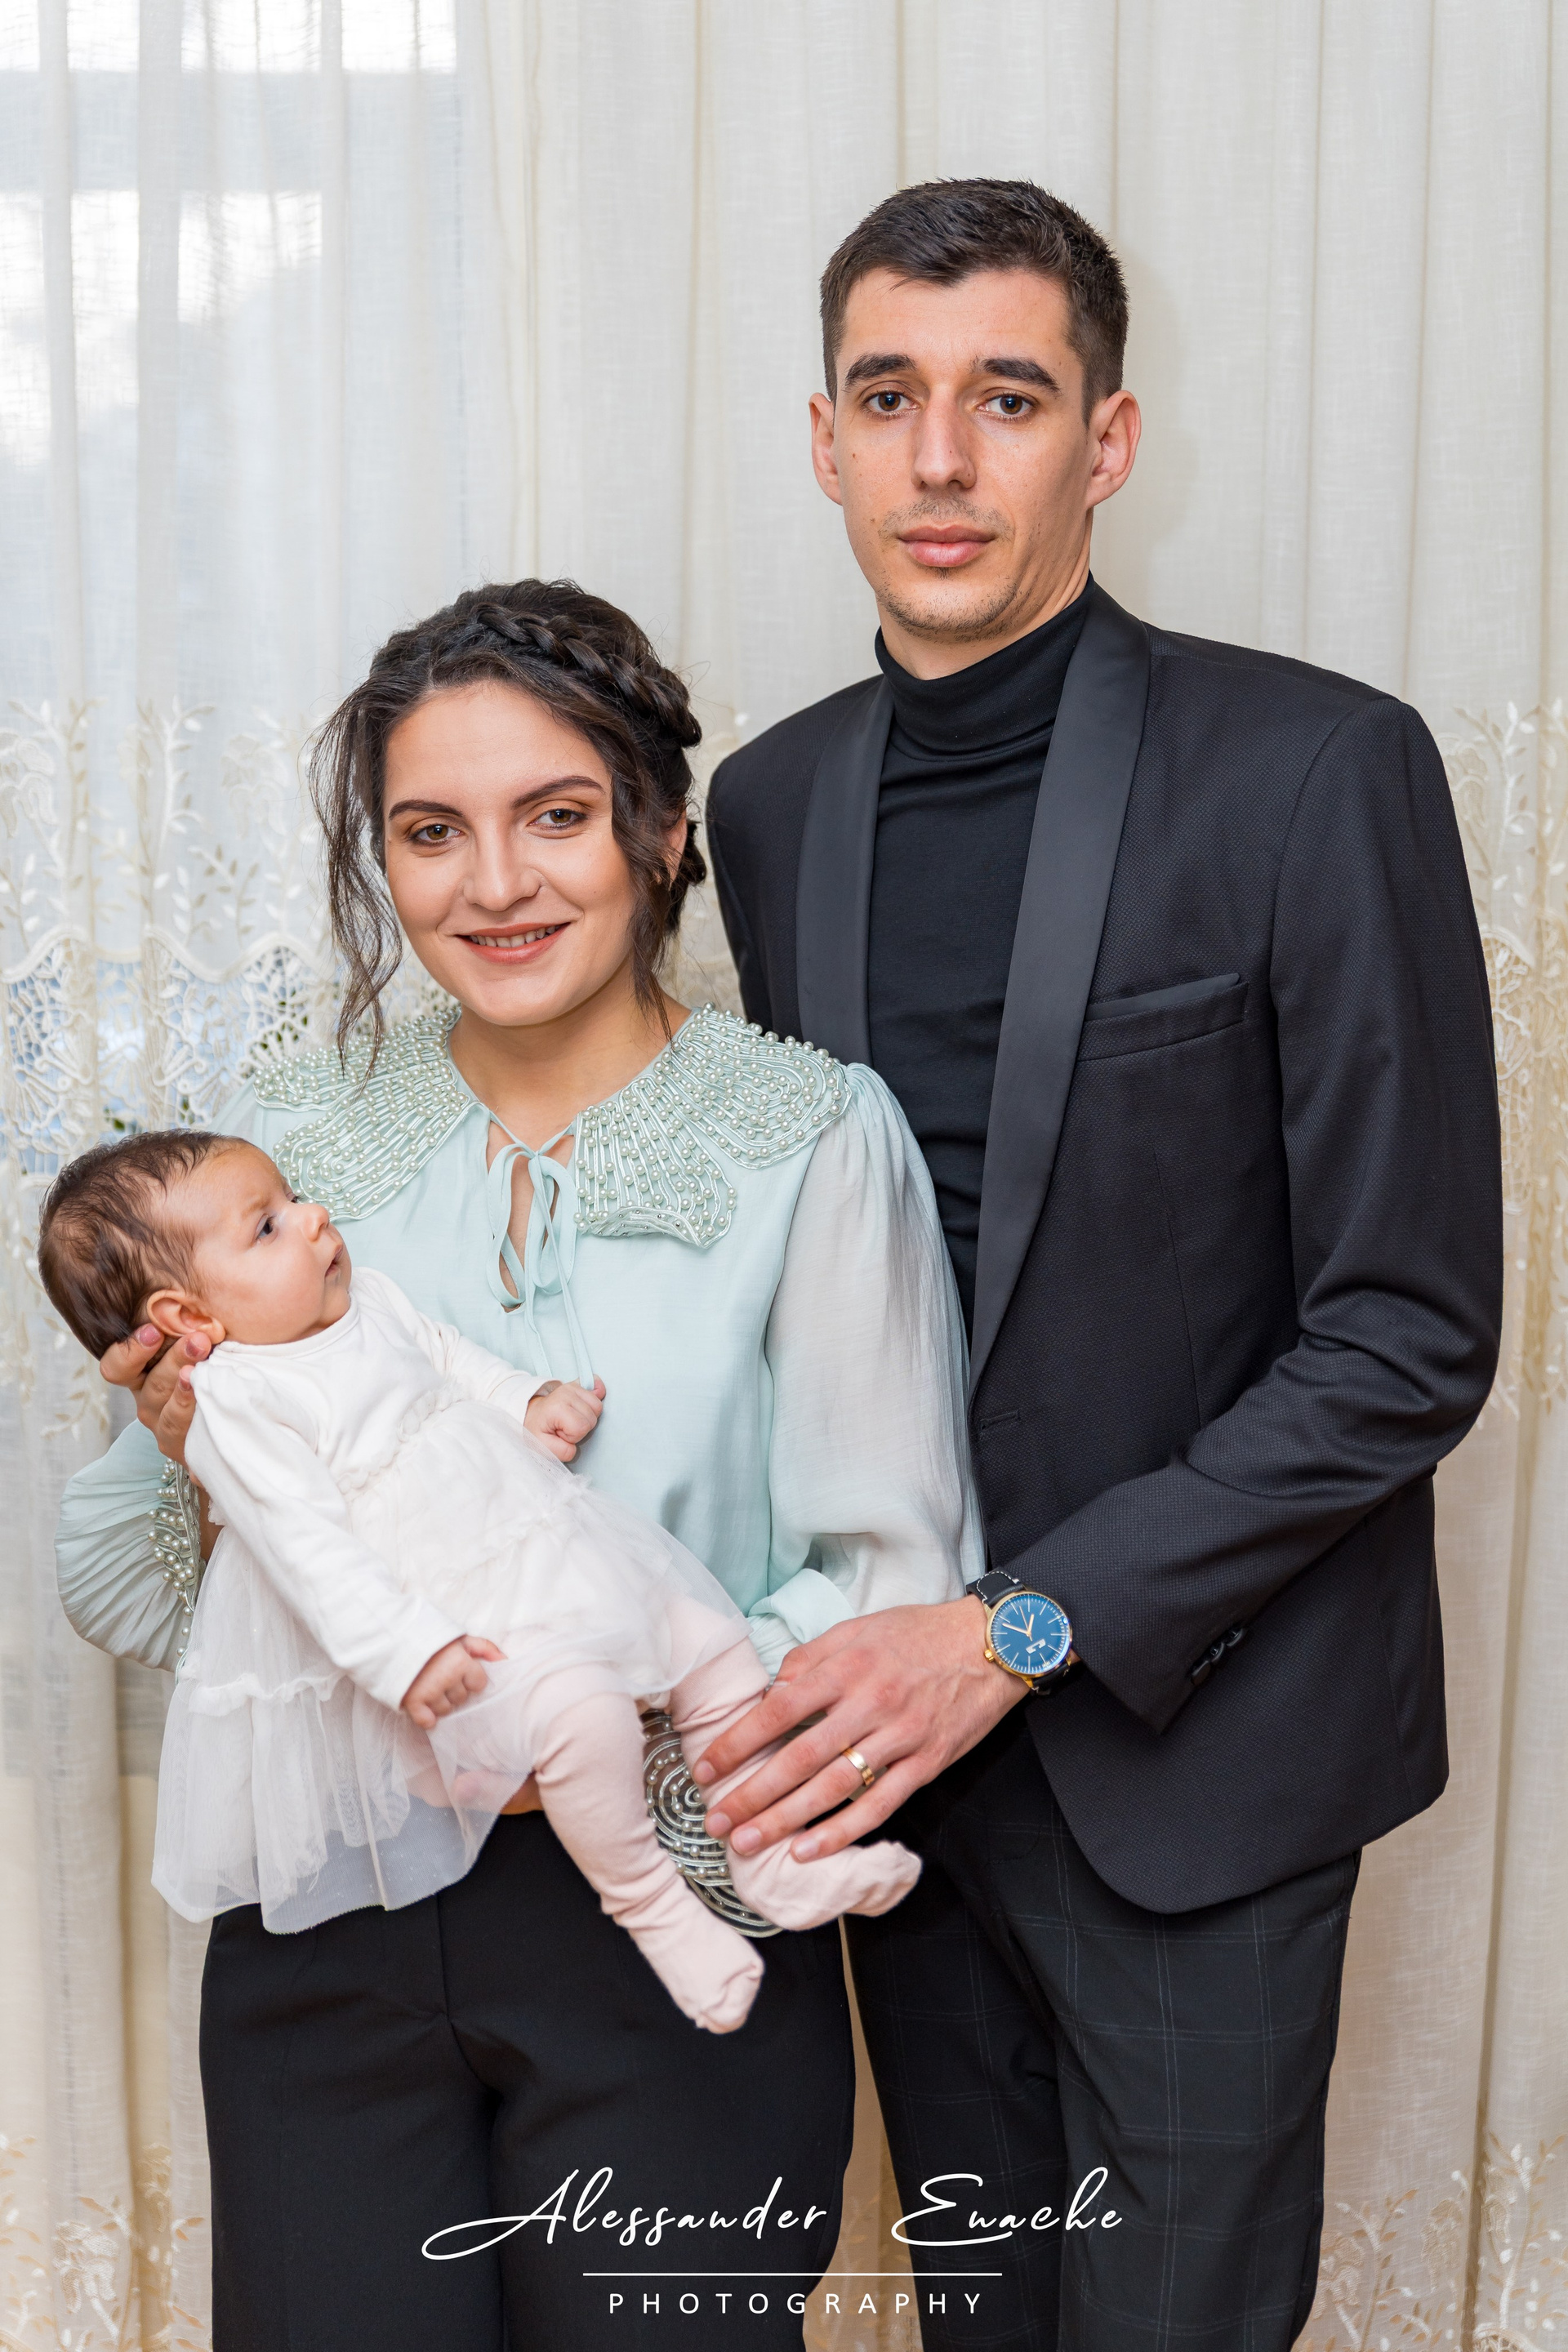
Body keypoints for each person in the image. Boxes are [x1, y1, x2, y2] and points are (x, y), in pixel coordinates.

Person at [702, 178, 1503, 2350]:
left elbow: (1407, 1334)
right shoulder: (766, 806)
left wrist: (1020, 1629)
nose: (942, 458)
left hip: (1204, 1759)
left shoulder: (1318, 768)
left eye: (1009, 397)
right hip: (899, 1776)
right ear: (824, 440)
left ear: (1108, 440)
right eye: (890, 397)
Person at [53, 581, 979, 2350]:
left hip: (682, 1906)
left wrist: (596, 1738)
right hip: (332, 1923)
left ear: (660, 833)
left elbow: (885, 1574)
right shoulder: (285, 1143)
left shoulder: (810, 1135)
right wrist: (186, 1460)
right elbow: (132, 1586)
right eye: (431, 832)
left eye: (554, 815)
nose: (494, 884)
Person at [38, 1134, 923, 2028]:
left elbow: (448, 1359)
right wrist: (407, 1654)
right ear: (186, 1314)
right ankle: (654, 1906)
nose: (313, 1217)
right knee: (582, 1715)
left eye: (293, 1197)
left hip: (537, 1547)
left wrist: (523, 1401)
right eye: (267, 1227)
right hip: (448, 1609)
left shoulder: (366, 1298)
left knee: (709, 1641)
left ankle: (771, 1862)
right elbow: (302, 1548)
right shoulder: (236, 1401)